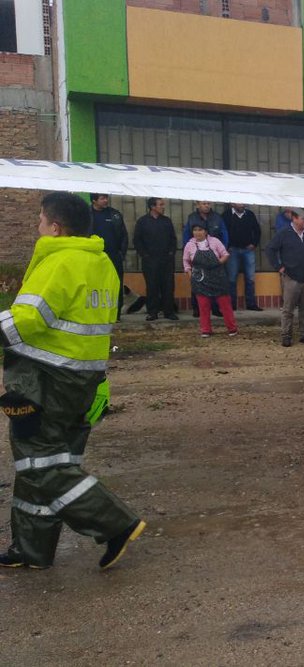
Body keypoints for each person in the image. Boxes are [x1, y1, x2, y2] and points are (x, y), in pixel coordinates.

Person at [0, 191, 146, 570]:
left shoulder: (60, 262)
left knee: (39, 464)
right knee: (48, 462)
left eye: (39, 221)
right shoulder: (101, 264)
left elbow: (29, 319)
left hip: (45, 379)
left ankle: (115, 523)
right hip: (83, 379)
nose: (37, 227)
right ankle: (30, 550)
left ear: (56, 227)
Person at [267, 210, 304, 347]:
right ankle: (286, 335)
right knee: (288, 309)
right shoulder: (284, 233)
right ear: (294, 218)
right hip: (291, 277)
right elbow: (270, 249)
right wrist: (279, 266)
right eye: (303, 219)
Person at [183, 222, 238, 337]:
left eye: (200, 229)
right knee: (203, 306)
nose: (197, 232)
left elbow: (225, 254)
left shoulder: (215, 241)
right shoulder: (189, 245)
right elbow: (186, 261)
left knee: (225, 304)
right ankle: (206, 330)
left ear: (206, 231)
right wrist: (190, 274)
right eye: (195, 230)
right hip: (200, 278)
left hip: (218, 276)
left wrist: (218, 263)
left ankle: (232, 328)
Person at [132, 196, 178, 321]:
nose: (163, 207)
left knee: (168, 286)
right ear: (152, 207)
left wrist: (171, 253)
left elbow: (173, 240)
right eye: (160, 205)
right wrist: (144, 255)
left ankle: (169, 311)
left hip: (166, 260)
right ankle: (152, 312)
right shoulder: (142, 221)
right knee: (152, 286)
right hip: (150, 260)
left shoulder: (166, 221)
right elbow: (137, 240)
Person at [184, 202, 227, 318]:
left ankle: (215, 308)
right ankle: (196, 309)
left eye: (208, 203)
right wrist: (189, 250)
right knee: (197, 284)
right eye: (204, 203)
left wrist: (221, 252)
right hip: (196, 256)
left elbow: (224, 234)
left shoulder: (217, 217)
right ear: (198, 205)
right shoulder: (191, 217)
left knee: (214, 285)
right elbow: (186, 235)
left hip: (213, 256)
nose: (207, 205)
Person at [89, 194, 128, 318]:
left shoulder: (115, 215)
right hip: (93, 257)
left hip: (113, 256)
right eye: (102, 198)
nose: (106, 200)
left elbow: (124, 236)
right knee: (94, 285)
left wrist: (121, 253)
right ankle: (95, 314)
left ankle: (115, 314)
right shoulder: (85, 215)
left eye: (106, 197)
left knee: (115, 284)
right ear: (94, 200)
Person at [222, 203, 262, 311]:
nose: (242, 204)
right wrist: (227, 246)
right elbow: (222, 232)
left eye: (243, 202)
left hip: (248, 250)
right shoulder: (226, 215)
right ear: (232, 203)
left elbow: (257, 230)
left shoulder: (250, 214)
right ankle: (232, 305)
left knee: (250, 278)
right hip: (232, 251)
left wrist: (254, 244)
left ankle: (251, 304)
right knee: (231, 278)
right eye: (239, 202)